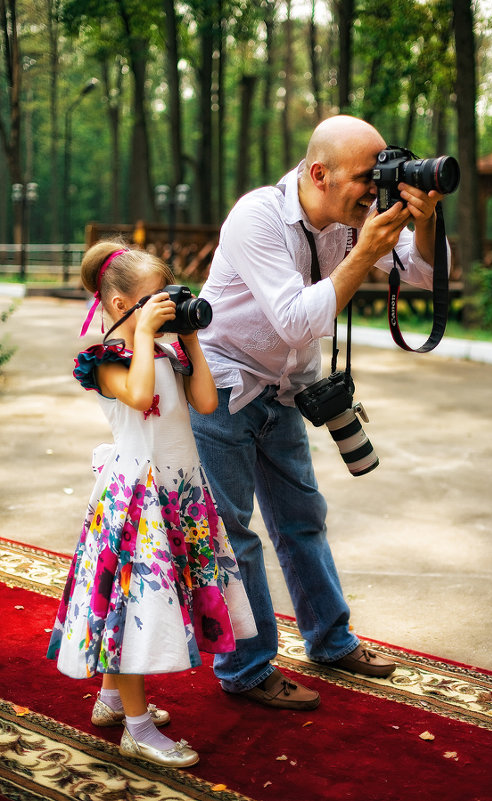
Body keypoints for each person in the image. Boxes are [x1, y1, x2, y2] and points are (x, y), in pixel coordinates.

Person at [189, 115, 449, 710]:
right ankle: (248, 669)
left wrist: (425, 223)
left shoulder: (351, 218)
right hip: (222, 386)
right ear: (319, 173)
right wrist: (366, 254)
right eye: (368, 175)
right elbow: (297, 319)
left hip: (284, 388)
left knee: (303, 517)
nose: (378, 188)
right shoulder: (256, 218)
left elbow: (429, 273)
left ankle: (330, 641)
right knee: (235, 535)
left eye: (385, 172)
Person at [47, 242, 257, 765]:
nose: (164, 307)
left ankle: (113, 698)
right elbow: (140, 397)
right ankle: (137, 729)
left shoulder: (166, 351)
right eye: (153, 301)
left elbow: (207, 403)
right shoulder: (104, 361)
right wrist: (142, 335)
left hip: (180, 490)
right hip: (137, 500)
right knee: (135, 607)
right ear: (120, 305)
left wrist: (191, 339)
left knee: (149, 601)